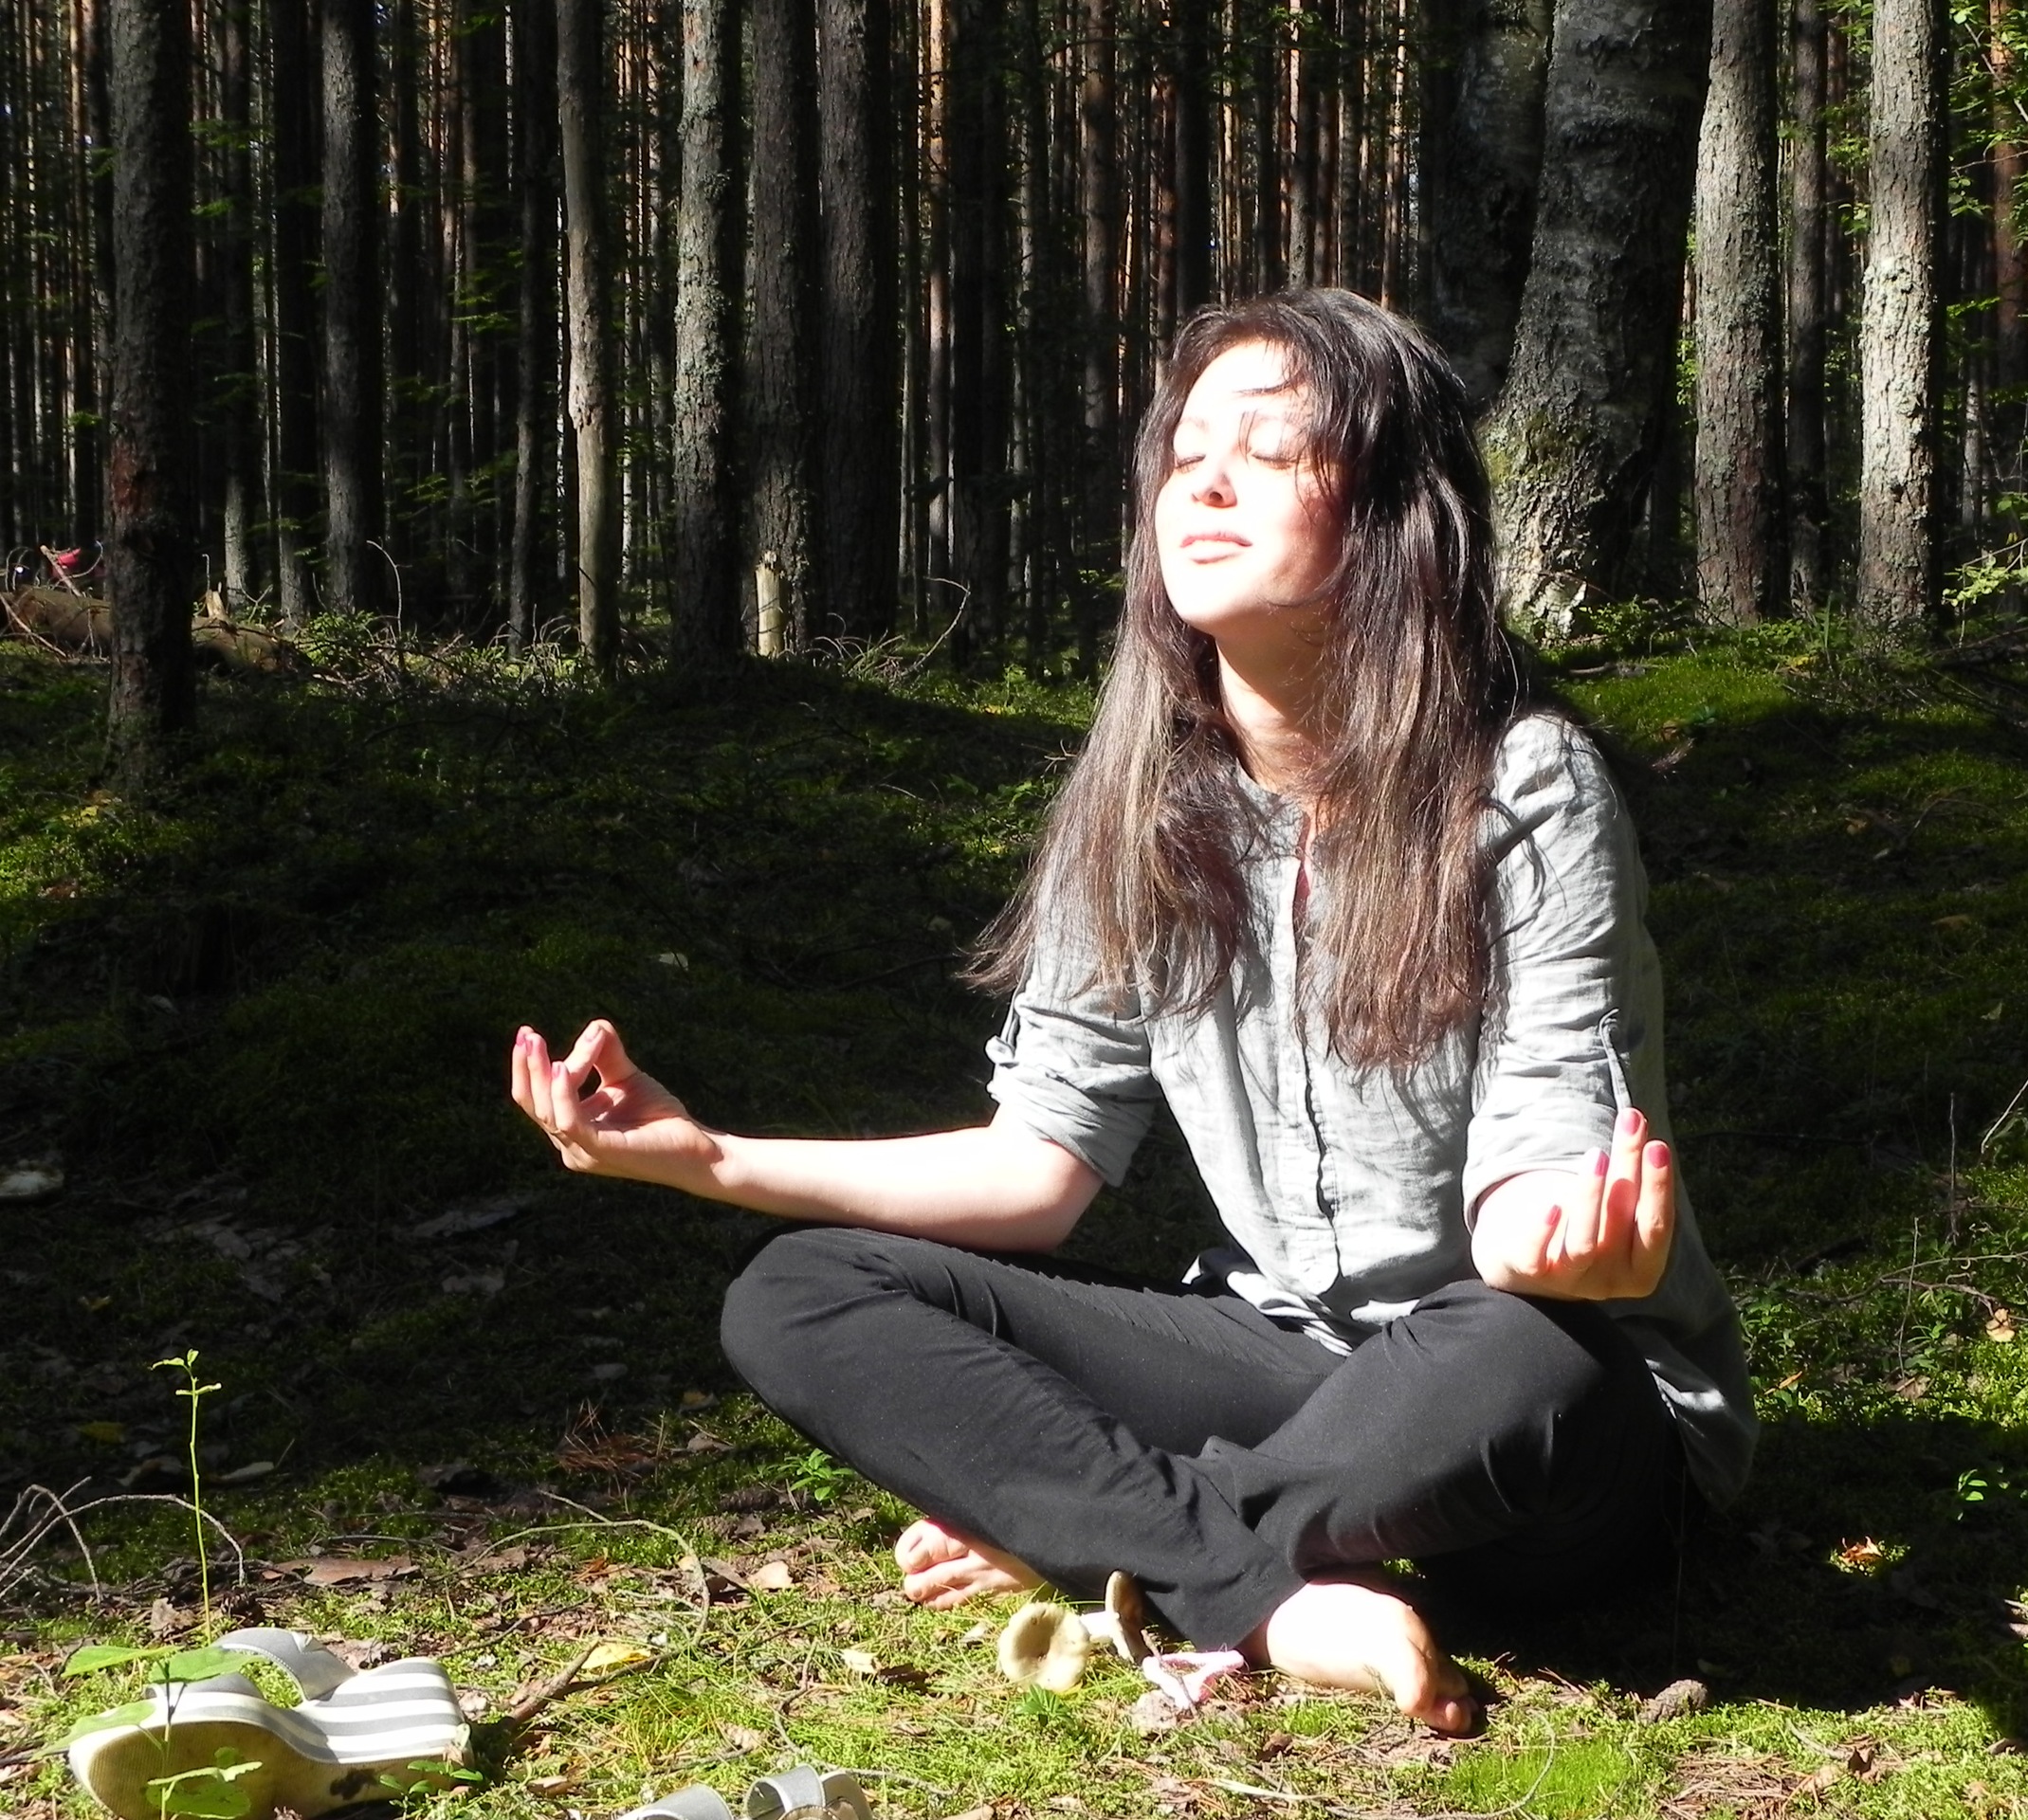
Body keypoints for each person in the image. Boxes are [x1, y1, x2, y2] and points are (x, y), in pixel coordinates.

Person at [508, 289, 1754, 1736]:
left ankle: (1138, 1544)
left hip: (1539, 1418)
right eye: (1186, 452)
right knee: (800, 1291)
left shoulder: (1522, 783)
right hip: (1291, 1371)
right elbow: (1036, 1170)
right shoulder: (1144, 808)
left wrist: (1567, 1245)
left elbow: (1541, 1163)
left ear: (1396, 513)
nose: (1206, 483)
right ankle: (1265, 1589)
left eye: (1271, 450)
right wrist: (711, 1158)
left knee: (1525, 1347)